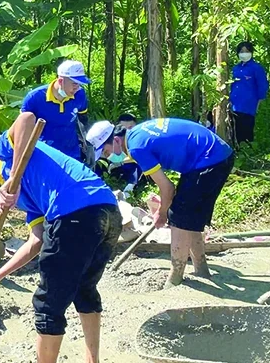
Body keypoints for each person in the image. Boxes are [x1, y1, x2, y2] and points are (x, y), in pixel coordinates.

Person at [0, 112, 120, 363]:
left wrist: (12, 180)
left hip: (75, 211)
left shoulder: (6, 150)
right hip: (106, 212)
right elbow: (36, 241)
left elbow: (27, 118)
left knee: (48, 302)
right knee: (84, 289)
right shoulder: (32, 195)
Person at [94, 118, 234, 287]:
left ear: (116, 140)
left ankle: (175, 278)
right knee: (189, 216)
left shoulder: (137, 147)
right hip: (214, 155)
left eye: (107, 152)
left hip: (208, 159)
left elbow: (167, 188)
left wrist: (162, 213)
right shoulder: (136, 135)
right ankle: (201, 268)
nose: (110, 158)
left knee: (178, 217)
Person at [21, 60, 90, 160]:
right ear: (61, 81)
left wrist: (89, 145)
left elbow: (83, 120)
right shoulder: (34, 98)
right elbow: (23, 129)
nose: (77, 88)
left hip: (72, 154)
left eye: (80, 84)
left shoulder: (80, 94)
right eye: (74, 84)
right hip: (44, 155)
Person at [229, 41, 268, 146]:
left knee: (246, 130)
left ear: (251, 52)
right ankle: (237, 153)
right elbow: (232, 85)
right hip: (234, 105)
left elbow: (262, 86)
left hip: (248, 105)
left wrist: (259, 103)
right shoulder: (236, 68)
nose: (244, 53)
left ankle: (247, 154)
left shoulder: (256, 68)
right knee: (234, 131)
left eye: (246, 51)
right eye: (241, 51)